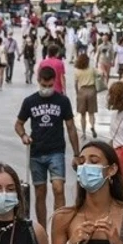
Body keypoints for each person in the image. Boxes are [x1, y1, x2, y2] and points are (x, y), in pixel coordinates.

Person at [16, 66, 80, 230]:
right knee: (40, 192)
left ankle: (60, 227)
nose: (47, 89)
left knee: (59, 189)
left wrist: (77, 153)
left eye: (50, 85)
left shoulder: (62, 101)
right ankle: (42, 230)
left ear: (55, 82)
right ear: (38, 82)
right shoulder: (30, 101)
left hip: (56, 151)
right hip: (36, 152)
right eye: (44, 85)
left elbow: (71, 127)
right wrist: (24, 136)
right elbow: (19, 124)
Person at [72, 52, 100, 139]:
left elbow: (75, 84)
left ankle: (84, 133)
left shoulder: (77, 71)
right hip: (91, 90)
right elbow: (99, 75)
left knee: (82, 115)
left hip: (82, 91)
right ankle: (92, 126)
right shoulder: (91, 69)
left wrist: (77, 93)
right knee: (91, 113)